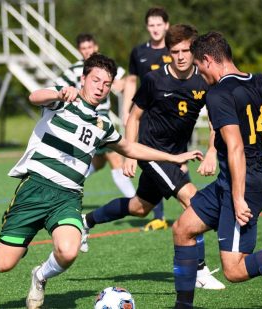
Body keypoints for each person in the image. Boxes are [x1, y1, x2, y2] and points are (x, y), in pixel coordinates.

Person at [0, 53, 203, 309]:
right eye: (95, 80)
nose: (100, 88)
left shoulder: (102, 126)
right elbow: (34, 97)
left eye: (106, 84)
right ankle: (21, 239)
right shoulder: (64, 100)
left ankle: (40, 276)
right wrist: (58, 94)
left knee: (69, 251)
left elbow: (131, 148)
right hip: (34, 190)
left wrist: (173, 156)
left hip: (67, 197)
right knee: (2, 264)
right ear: (83, 79)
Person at [81, 24, 225, 290]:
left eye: (185, 50)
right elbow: (133, 117)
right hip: (151, 151)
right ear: (167, 53)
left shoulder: (203, 80)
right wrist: (130, 155)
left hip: (176, 156)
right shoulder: (155, 80)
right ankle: (199, 270)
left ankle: (85, 222)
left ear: (193, 50)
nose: (180, 56)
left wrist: (212, 152)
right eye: (174, 51)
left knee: (139, 207)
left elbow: (217, 121)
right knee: (194, 202)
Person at [172, 32, 262, 309]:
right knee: (183, 228)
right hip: (226, 182)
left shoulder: (219, 93)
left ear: (208, 59)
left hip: (244, 183)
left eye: (199, 65)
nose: (199, 72)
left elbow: (235, 148)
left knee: (233, 270)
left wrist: (239, 196)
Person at [55, 33, 136, 211]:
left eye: (89, 47)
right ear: (79, 51)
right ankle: (134, 201)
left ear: (96, 47)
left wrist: (119, 88)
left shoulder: (105, 66)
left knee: (97, 163)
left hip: (103, 117)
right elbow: (58, 87)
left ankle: (63, 185)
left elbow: (127, 82)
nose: (87, 51)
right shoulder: (75, 70)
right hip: (91, 119)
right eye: (83, 49)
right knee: (115, 158)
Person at [123, 7, 172, 230]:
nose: (155, 29)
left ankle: (192, 207)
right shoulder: (138, 52)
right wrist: (126, 110)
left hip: (172, 117)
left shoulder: (176, 51)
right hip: (145, 115)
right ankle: (159, 216)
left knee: (176, 160)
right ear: (147, 27)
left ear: (166, 26)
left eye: (158, 24)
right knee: (150, 161)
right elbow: (131, 81)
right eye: (151, 25)